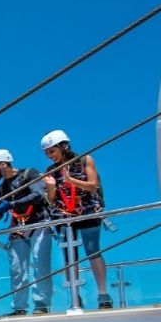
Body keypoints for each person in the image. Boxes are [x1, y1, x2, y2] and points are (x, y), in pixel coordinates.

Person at [40, 129, 113, 310]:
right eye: (47, 153)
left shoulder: (84, 160)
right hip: (64, 217)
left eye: (52, 151)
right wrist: (50, 188)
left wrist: (70, 180)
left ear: (63, 147)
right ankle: (74, 296)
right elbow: (50, 200)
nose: (50, 156)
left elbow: (93, 185)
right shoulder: (50, 171)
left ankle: (103, 294)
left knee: (92, 251)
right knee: (68, 257)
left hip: (87, 212)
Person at [0, 149, 52, 316]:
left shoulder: (29, 174)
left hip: (38, 222)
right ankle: (19, 307)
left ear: (3, 164)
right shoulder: (0, 190)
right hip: (18, 228)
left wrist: (11, 204)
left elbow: (38, 194)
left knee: (40, 264)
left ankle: (41, 304)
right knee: (17, 269)